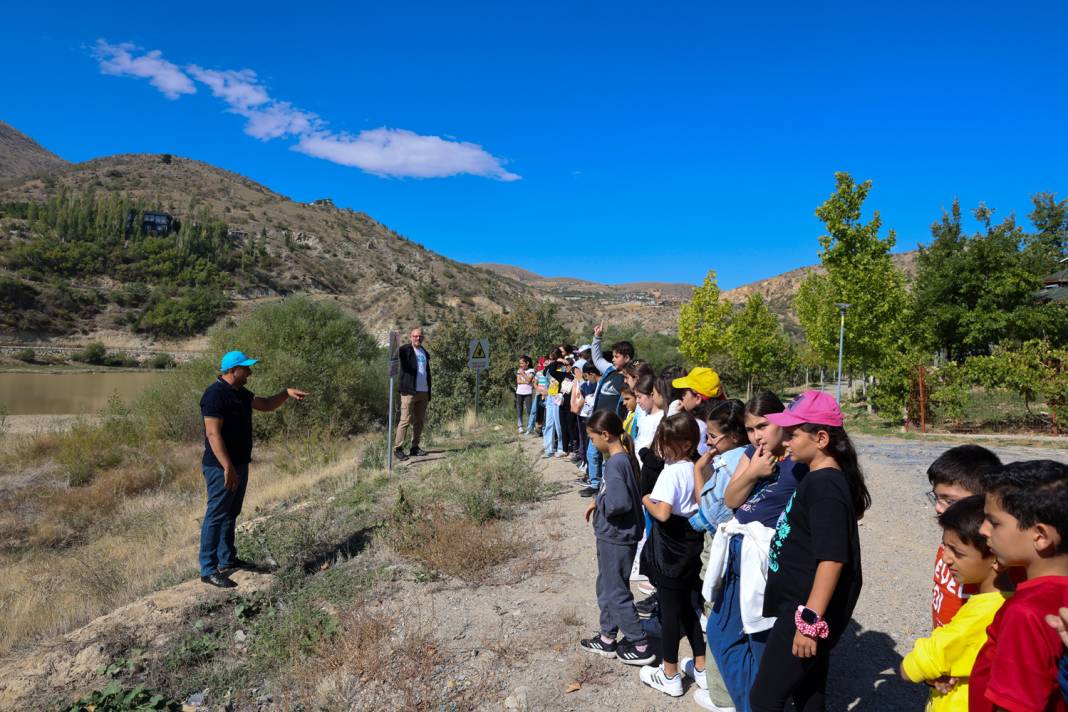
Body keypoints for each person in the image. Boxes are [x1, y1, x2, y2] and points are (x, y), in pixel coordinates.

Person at [750, 391, 871, 712]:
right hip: (803, 605)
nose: (785, 441)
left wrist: (808, 623)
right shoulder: (816, 476)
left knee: (763, 699)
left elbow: (832, 558)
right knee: (808, 692)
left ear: (820, 438)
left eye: (792, 434)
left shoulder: (826, 486)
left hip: (804, 611)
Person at [708, 392, 807, 712]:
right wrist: (753, 473)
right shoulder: (753, 454)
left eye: (763, 426)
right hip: (738, 554)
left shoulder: (798, 459)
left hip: (765, 562)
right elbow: (731, 499)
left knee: (760, 643)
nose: (757, 435)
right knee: (720, 633)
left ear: (782, 421)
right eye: (751, 429)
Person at [198, 350, 306, 588]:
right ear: (231, 370)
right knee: (216, 514)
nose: (250, 372)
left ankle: (227, 560)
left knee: (230, 512)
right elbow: (213, 434)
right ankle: (208, 569)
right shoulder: (215, 395)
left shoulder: (239, 392)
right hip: (220, 467)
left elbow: (266, 404)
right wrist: (227, 466)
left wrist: (285, 393)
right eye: (245, 368)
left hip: (239, 463)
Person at [970, 459, 1068, 712]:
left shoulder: (1025, 613)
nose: (982, 530)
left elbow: (1016, 704)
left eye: (994, 522)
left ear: (1040, 536)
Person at [900, 495, 1011, 712]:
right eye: (945, 547)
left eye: (957, 552)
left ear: (996, 556)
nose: (946, 559)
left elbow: (910, 668)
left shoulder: (981, 615)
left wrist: (930, 670)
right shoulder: (1010, 598)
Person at [580, 410, 657, 666]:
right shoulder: (621, 458)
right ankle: (607, 637)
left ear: (605, 435)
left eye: (592, 439)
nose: (592, 443)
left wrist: (600, 501)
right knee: (607, 586)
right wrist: (597, 501)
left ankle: (640, 643)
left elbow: (618, 503)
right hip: (615, 536)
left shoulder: (615, 463)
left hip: (616, 537)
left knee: (616, 591)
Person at [639, 413, 706, 697]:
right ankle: (702, 668)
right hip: (692, 543)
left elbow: (663, 513)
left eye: (665, 444)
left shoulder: (671, 472)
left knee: (669, 611)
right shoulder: (698, 466)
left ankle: (670, 673)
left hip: (670, 549)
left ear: (683, 443)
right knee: (690, 606)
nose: (661, 450)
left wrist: (646, 498)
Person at [690, 398, 750, 712]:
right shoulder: (748, 455)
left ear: (734, 436)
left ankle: (721, 694)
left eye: (713, 436)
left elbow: (709, 513)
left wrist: (700, 471)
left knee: (717, 617)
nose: (708, 441)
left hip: (723, 546)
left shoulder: (729, 463)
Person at [926, 446, 1003, 628]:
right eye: (936, 497)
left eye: (950, 500)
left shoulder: (992, 553)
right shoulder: (951, 541)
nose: (938, 507)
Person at [580, 320, 635, 498]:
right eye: (613, 356)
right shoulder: (610, 370)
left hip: (614, 425)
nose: (613, 359)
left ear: (627, 358)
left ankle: (607, 486)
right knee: (592, 453)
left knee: (609, 458)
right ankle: (595, 484)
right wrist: (597, 337)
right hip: (598, 420)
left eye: (617, 356)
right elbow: (596, 358)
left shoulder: (632, 377)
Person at [394, 327, 431, 462]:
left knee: (419, 421)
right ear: (411, 337)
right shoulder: (406, 350)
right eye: (415, 336)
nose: (418, 338)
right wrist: (395, 340)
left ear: (423, 338)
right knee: (405, 420)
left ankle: (414, 447)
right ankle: (398, 449)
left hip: (423, 392)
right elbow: (398, 353)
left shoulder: (424, 352)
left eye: (420, 336)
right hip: (409, 392)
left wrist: (428, 391)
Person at [672, 367, 723, 456]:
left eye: (684, 393)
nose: (681, 397)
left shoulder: (696, 426)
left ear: (698, 398)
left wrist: (673, 417)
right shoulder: (723, 420)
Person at [515, 355, 535, 434]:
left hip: (528, 393)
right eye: (520, 363)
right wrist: (526, 381)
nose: (521, 365)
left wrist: (523, 374)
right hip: (519, 392)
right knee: (519, 409)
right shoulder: (518, 370)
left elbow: (529, 380)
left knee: (529, 410)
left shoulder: (532, 370)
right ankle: (520, 426)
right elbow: (518, 381)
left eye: (522, 363)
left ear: (527, 363)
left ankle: (531, 426)